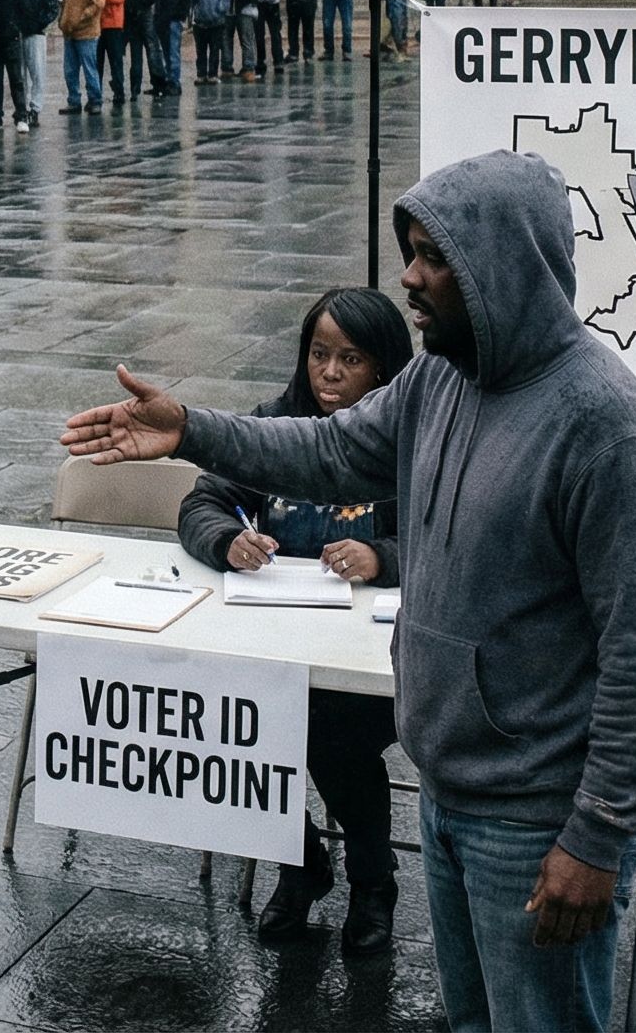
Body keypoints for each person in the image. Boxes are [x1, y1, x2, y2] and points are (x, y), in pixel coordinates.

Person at [63, 150, 636, 1033]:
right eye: (412, 250)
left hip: (537, 820)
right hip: (448, 789)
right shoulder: (440, 378)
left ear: (502, 265)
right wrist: (191, 433)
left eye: (436, 257)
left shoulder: (610, 430)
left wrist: (595, 836)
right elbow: (326, 454)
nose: (410, 276)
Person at [175, 288, 415, 953]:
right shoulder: (277, 425)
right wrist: (228, 540)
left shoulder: (408, 441)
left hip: (374, 662)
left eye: (351, 359)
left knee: (327, 727)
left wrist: (380, 554)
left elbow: (447, 535)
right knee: (233, 717)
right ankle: (302, 860)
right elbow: (202, 504)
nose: (330, 372)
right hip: (278, 644)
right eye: (318, 354)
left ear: (385, 370)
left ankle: (370, 880)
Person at [58, 0, 105, 111]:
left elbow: (98, 4)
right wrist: (62, 21)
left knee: (89, 68)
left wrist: (81, 17)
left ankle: (95, 100)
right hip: (69, 31)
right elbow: (64, 3)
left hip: (87, 33)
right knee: (70, 70)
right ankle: (74, 100)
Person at [13, 0, 55, 124]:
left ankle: (35, 108)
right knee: (19, 74)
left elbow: (52, 8)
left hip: (36, 33)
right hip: (17, 33)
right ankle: (22, 108)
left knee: (37, 72)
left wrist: (40, 23)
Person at [190, 0, 233, 85]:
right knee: (201, 51)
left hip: (216, 23)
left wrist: (219, 10)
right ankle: (201, 74)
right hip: (200, 23)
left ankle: (212, 74)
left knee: (215, 50)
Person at [118, 0, 154, 98]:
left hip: (140, 17)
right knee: (117, 55)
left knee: (137, 57)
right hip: (121, 18)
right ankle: (119, 88)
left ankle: (135, 89)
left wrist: (144, 3)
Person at [94, 0, 129, 97]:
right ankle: (96, 93)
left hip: (114, 24)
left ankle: (119, 92)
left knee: (116, 61)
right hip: (98, 23)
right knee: (97, 63)